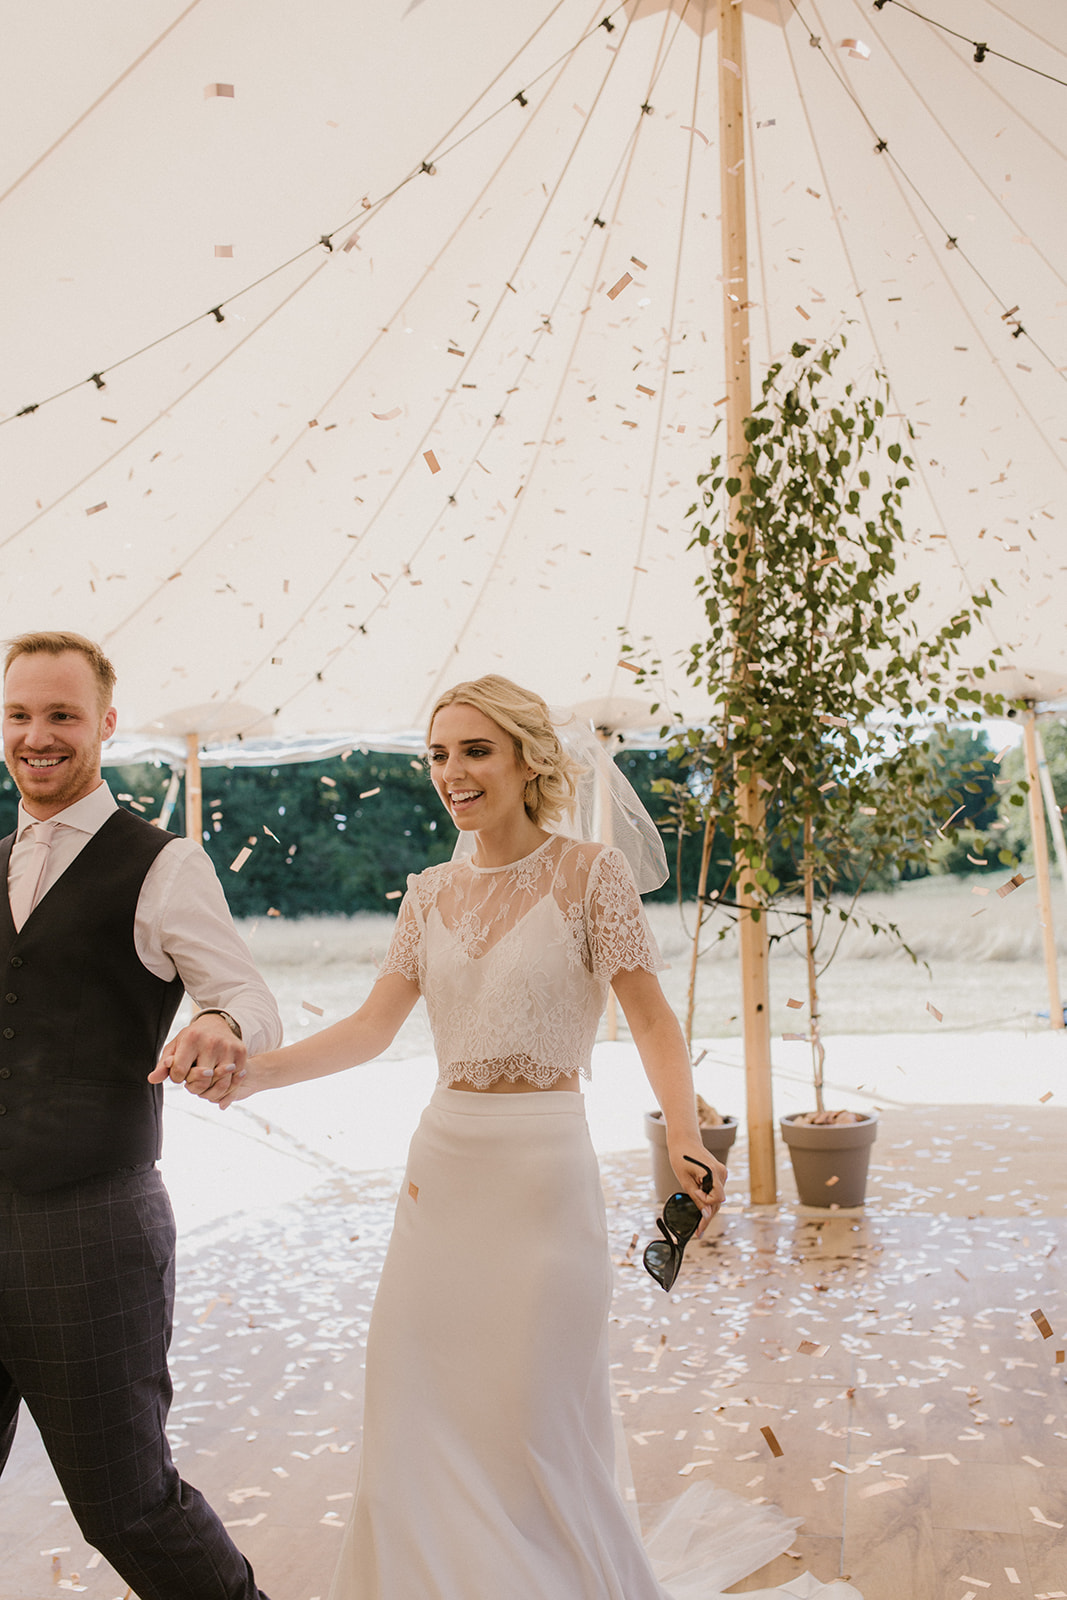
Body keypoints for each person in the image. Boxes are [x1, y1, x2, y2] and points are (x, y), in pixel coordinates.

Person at [173, 675, 854, 1600]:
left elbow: (651, 1020)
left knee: (533, 1416)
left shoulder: (589, 874)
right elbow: (373, 1029)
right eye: (439, 754)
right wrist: (246, 1074)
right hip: (441, 1175)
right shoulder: (426, 893)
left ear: (528, 759)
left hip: (543, 1176)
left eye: (475, 750)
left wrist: (687, 1133)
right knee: (417, 1409)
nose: (452, 772)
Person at [0, 630, 281, 1600]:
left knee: (125, 1501)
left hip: (91, 1223)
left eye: (61, 715)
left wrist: (215, 1022)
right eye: (20, 714)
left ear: (106, 724)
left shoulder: (160, 866)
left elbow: (245, 995)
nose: (37, 735)